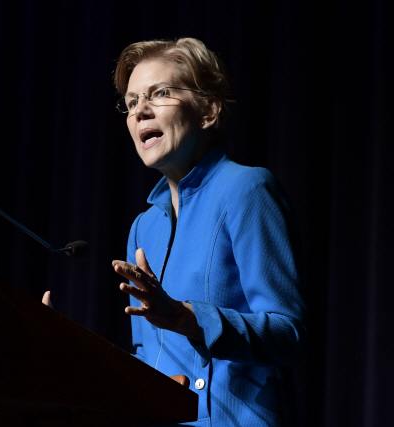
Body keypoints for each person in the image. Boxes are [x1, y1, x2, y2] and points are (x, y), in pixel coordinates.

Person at [109, 38, 307, 426]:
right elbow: (146, 359)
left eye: (159, 93)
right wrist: (68, 350)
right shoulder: (142, 227)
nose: (140, 111)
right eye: (131, 102)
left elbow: (290, 334)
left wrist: (186, 318)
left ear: (208, 110)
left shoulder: (247, 190)